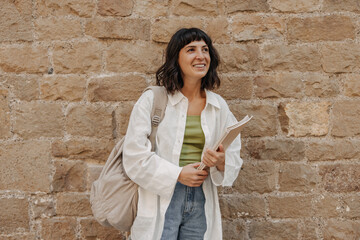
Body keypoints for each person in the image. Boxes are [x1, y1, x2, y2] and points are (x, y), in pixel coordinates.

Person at [122, 28, 243, 240]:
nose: (201, 56)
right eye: (191, 49)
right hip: (162, 195)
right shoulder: (152, 100)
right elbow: (134, 156)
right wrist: (177, 174)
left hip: (201, 197)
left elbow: (234, 156)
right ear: (176, 58)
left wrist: (221, 161)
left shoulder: (219, 106)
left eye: (205, 50)